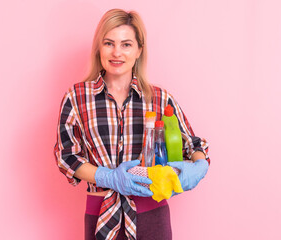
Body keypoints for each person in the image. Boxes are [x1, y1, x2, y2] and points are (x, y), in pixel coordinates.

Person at [54, 9, 209, 240]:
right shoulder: (76, 97)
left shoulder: (159, 98)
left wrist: (198, 167)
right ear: (99, 47)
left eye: (126, 44)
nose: (117, 52)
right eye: (109, 43)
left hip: (152, 215)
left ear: (139, 50)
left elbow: (193, 145)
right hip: (101, 215)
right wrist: (107, 177)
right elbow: (67, 156)